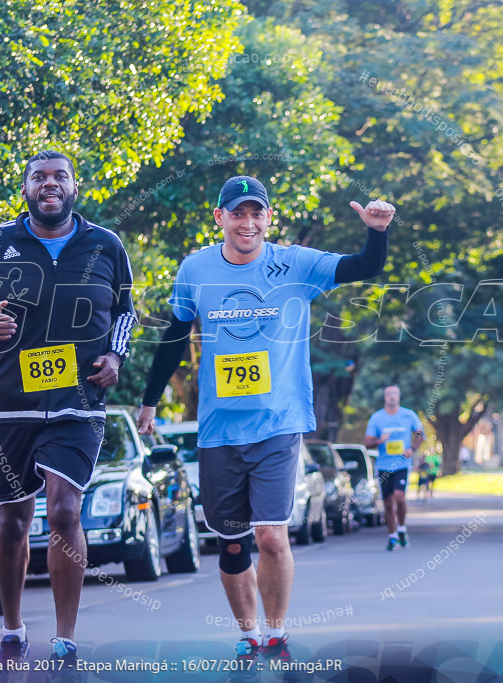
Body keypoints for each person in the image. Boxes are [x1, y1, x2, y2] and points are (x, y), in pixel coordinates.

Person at [135, 175, 395, 677]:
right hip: (218, 429)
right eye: (237, 213)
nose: (247, 222)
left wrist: (376, 232)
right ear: (221, 218)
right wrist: (149, 402)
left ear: (268, 218)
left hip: (279, 422)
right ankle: (248, 635)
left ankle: (276, 634)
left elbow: (363, 267)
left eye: (257, 213)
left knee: (273, 537)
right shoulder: (196, 268)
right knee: (232, 542)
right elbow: (173, 335)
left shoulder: (295, 263)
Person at [0, 150, 136, 680]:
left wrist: (115, 356)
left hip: (79, 403)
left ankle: (64, 638)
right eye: (39, 178)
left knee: (63, 512)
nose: (49, 184)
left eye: (59, 176)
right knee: (13, 519)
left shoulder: (105, 244)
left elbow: (125, 310)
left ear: (75, 186)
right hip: (11, 405)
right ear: (27, 188)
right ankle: (12, 626)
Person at [365, 385, 425, 550]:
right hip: (384, 466)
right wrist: (379, 441)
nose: (391, 397)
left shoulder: (409, 415)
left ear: (399, 396)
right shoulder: (377, 418)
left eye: (394, 394)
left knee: (399, 497)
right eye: (388, 394)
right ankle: (392, 535)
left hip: (402, 464)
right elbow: (367, 442)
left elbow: (420, 434)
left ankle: (402, 528)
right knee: (388, 503)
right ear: (384, 397)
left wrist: (412, 449)